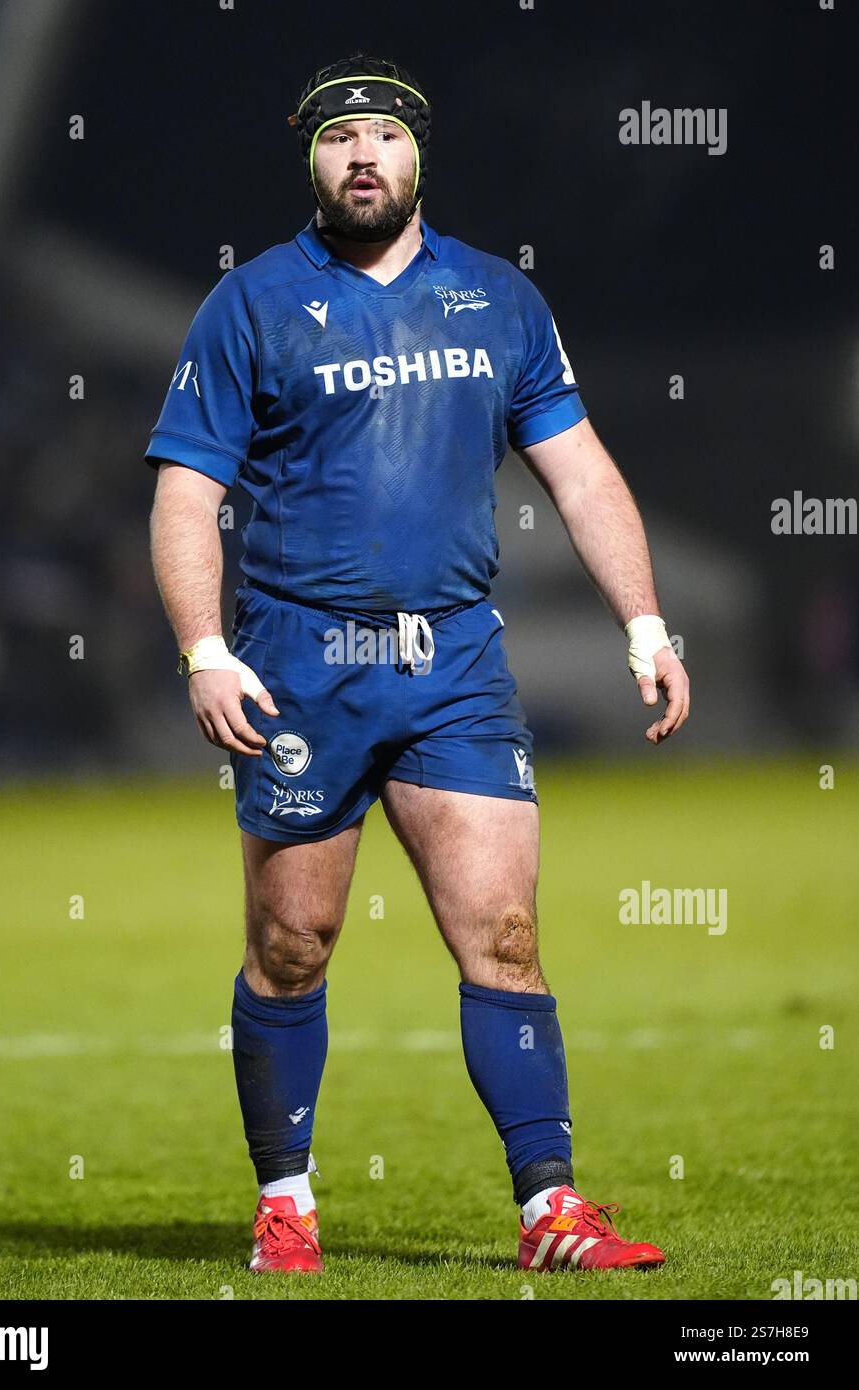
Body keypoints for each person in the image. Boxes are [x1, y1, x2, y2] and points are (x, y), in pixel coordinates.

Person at [146, 52, 689, 1275]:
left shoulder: (498, 300)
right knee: (292, 947)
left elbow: (581, 471)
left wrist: (645, 624)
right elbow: (187, 494)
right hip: (299, 670)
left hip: (452, 663)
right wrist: (202, 650)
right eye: (336, 138)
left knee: (501, 934)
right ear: (310, 161)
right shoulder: (250, 305)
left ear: (416, 154)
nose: (360, 157)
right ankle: (286, 1199)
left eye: (381, 136)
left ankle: (550, 1211)